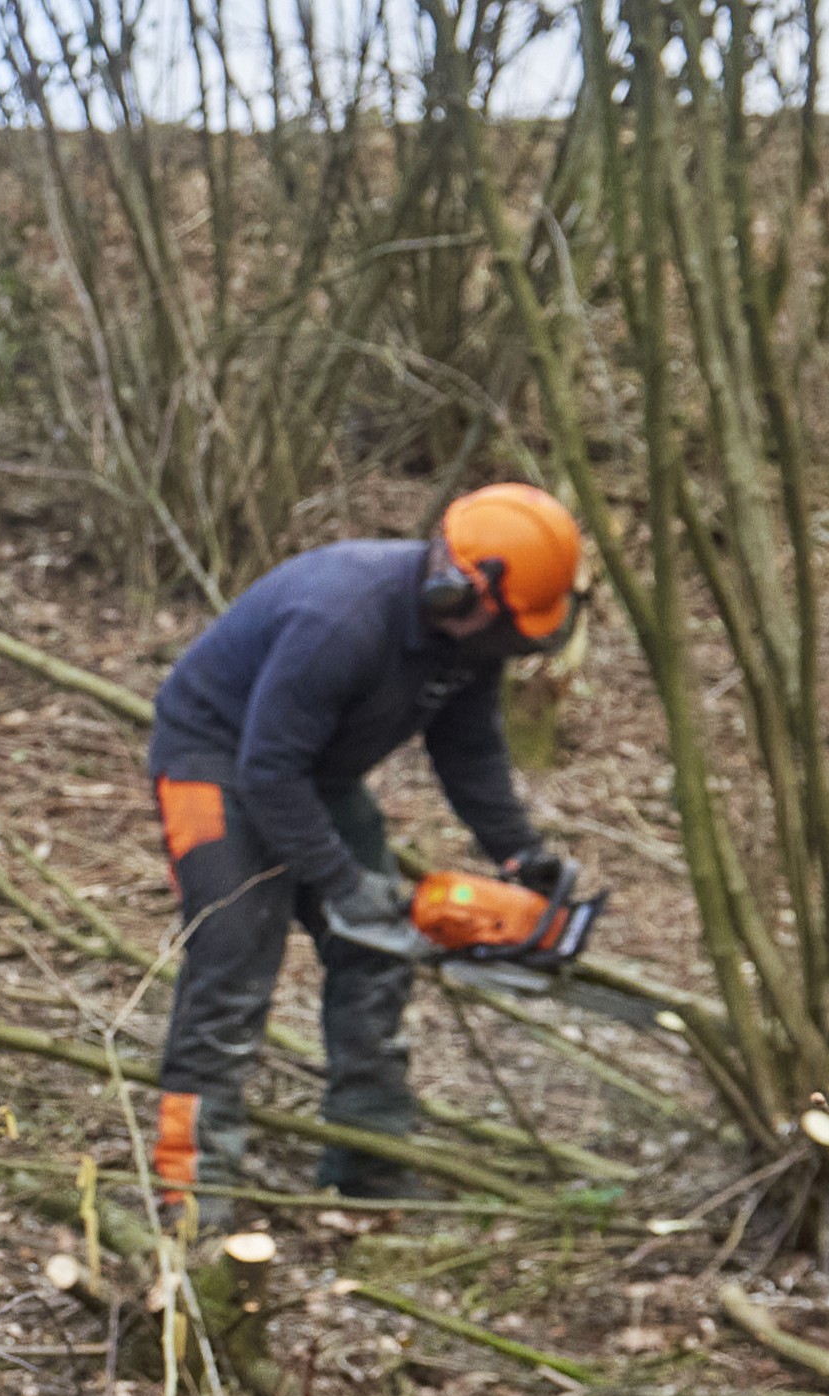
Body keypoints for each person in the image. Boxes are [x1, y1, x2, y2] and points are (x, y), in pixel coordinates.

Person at [139, 485, 587, 1212]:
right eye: (503, 629)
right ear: (456, 589)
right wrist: (338, 881)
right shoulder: (339, 618)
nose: (505, 646)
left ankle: (367, 1162)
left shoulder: (468, 638)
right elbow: (265, 768)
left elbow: (467, 748)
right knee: (232, 962)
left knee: (379, 948)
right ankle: (189, 1196)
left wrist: (518, 854)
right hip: (213, 760)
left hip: (311, 771)